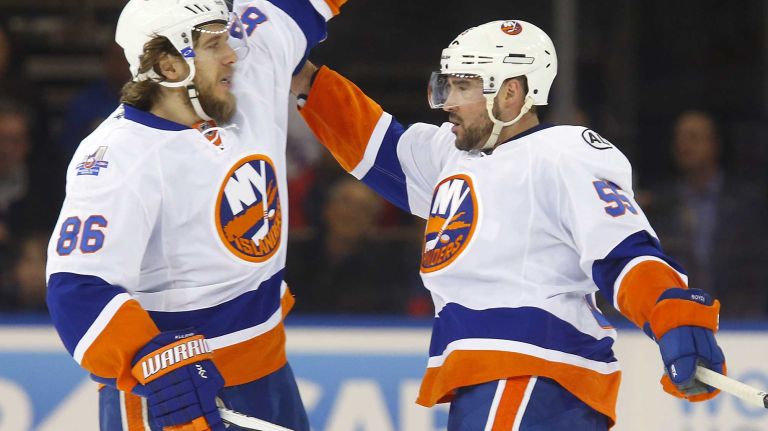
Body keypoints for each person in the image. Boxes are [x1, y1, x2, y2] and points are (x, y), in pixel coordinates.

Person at [291, 20, 726, 430]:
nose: (448, 101)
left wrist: (674, 316)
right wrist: (302, 78)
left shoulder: (563, 153)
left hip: (530, 372)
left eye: (463, 87)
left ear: (512, 94)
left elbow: (623, 251)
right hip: (495, 375)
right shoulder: (453, 154)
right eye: (447, 85)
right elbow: (378, 147)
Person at [45, 0, 346, 430]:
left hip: (268, 370)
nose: (233, 54)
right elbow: (78, 288)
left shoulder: (248, 72)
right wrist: (161, 370)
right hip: (181, 396)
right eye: (214, 45)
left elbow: (294, 7)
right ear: (169, 66)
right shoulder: (117, 159)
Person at [643, 110, 768, 317]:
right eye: (679, 138)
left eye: (693, 137)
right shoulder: (660, 203)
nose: (684, 145)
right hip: (677, 318)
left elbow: (757, 264)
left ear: (715, 144)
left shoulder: (747, 202)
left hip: (744, 323)